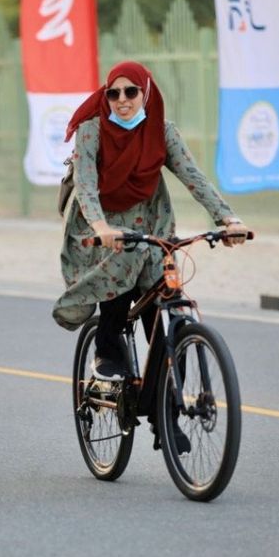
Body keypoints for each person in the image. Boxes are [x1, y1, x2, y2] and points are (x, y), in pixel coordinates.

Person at [53, 60, 248, 381]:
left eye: (131, 91)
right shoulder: (92, 132)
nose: (122, 100)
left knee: (163, 304)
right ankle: (106, 348)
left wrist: (227, 218)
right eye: (113, 93)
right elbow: (86, 186)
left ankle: (165, 409)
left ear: (146, 92)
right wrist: (101, 228)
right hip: (100, 227)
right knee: (119, 279)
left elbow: (194, 178)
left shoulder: (162, 131)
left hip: (152, 225)